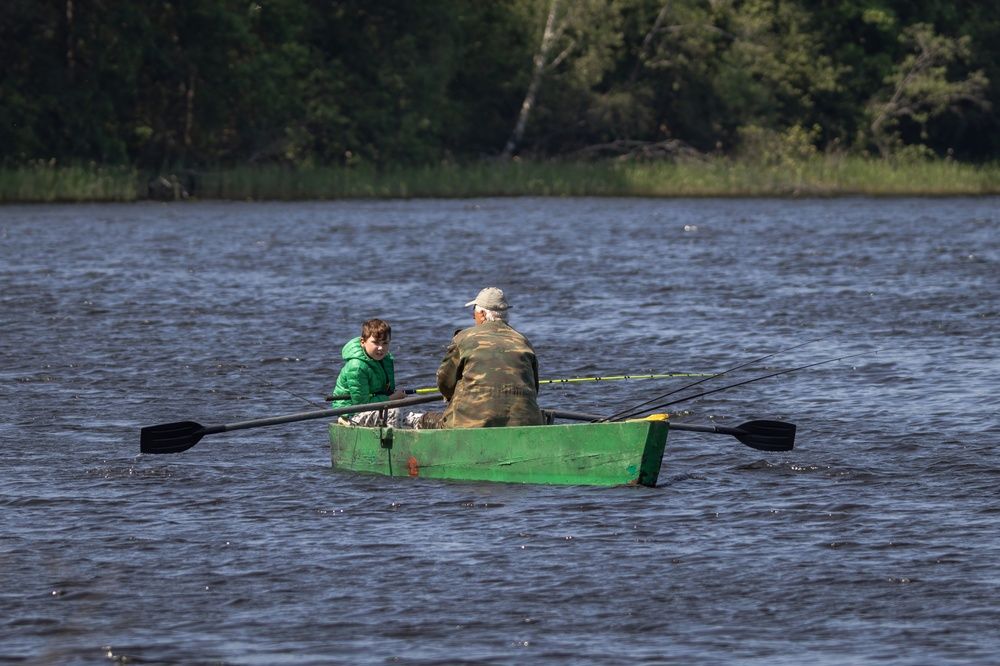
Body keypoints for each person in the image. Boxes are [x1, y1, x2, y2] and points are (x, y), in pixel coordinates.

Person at [430, 287, 545, 429]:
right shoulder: (523, 342)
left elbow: (445, 384)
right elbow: (534, 388)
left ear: (483, 314)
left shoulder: (463, 338)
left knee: (425, 420)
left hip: (469, 426)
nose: (473, 317)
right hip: (526, 423)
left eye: (474, 312)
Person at [331, 318, 405, 427]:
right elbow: (362, 404)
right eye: (375, 342)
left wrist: (393, 396)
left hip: (376, 406)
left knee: (414, 414)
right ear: (362, 342)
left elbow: (385, 391)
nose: (381, 348)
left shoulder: (383, 360)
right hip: (352, 413)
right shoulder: (356, 367)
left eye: (385, 343)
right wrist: (393, 398)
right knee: (395, 412)